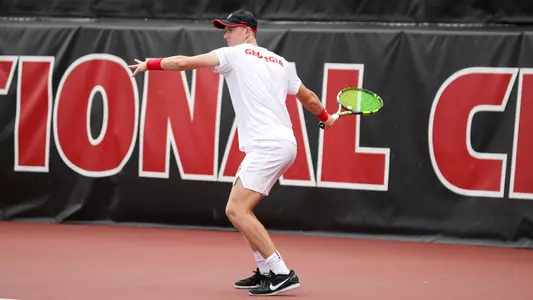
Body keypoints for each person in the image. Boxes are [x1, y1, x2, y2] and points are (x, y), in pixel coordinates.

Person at [128, 10, 336, 296]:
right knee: (241, 209)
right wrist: (327, 116)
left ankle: (281, 272)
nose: (225, 36)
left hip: (268, 145)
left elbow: (183, 62)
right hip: (282, 143)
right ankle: (265, 271)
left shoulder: (235, 55)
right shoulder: (281, 63)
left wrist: (150, 64)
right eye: (224, 30)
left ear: (248, 32)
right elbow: (310, 99)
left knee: (235, 209)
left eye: (230, 30)